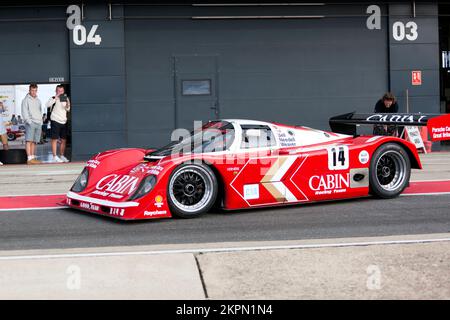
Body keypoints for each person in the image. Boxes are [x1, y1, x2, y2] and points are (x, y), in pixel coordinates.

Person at [46, 84, 70, 163]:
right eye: (58, 91)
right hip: (55, 120)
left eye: (61, 91)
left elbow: (68, 109)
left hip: (63, 121)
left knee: (63, 139)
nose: (60, 92)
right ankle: (54, 156)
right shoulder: (53, 98)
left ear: (63, 91)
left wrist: (67, 104)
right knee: (54, 139)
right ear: (56, 91)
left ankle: (62, 155)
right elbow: (47, 105)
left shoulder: (65, 98)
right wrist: (55, 98)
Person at [21, 83, 43, 164]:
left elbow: (40, 111)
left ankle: (32, 158)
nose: (34, 92)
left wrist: (41, 121)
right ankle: (29, 158)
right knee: (29, 141)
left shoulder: (38, 100)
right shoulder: (25, 100)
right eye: (32, 90)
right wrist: (29, 121)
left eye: (35, 90)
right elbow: (24, 111)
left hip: (38, 122)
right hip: (31, 122)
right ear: (29, 90)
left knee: (34, 141)